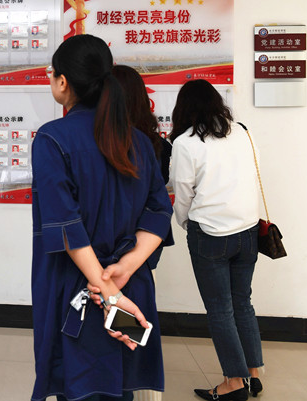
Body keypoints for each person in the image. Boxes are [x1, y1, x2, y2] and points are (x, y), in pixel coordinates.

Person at [31, 35, 172, 401]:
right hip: (128, 287)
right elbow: (159, 211)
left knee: (80, 387)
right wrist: (124, 269)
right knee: (120, 385)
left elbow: (66, 224)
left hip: (79, 287)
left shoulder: (52, 138)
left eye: (51, 73)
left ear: (63, 81)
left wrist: (108, 290)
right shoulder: (138, 141)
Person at [169, 80, 264, 401]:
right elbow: (254, 172)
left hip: (210, 234)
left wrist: (186, 223)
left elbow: (182, 193)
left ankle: (233, 383)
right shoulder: (242, 131)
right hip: (248, 230)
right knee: (242, 302)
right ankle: (253, 374)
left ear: (184, 108)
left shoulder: (186, 142)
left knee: (220, 310)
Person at [112, 64, 174, 270]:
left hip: (114, 238)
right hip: (150, 235)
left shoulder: (100, 142)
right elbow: (161, 187)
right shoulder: (158, 144)